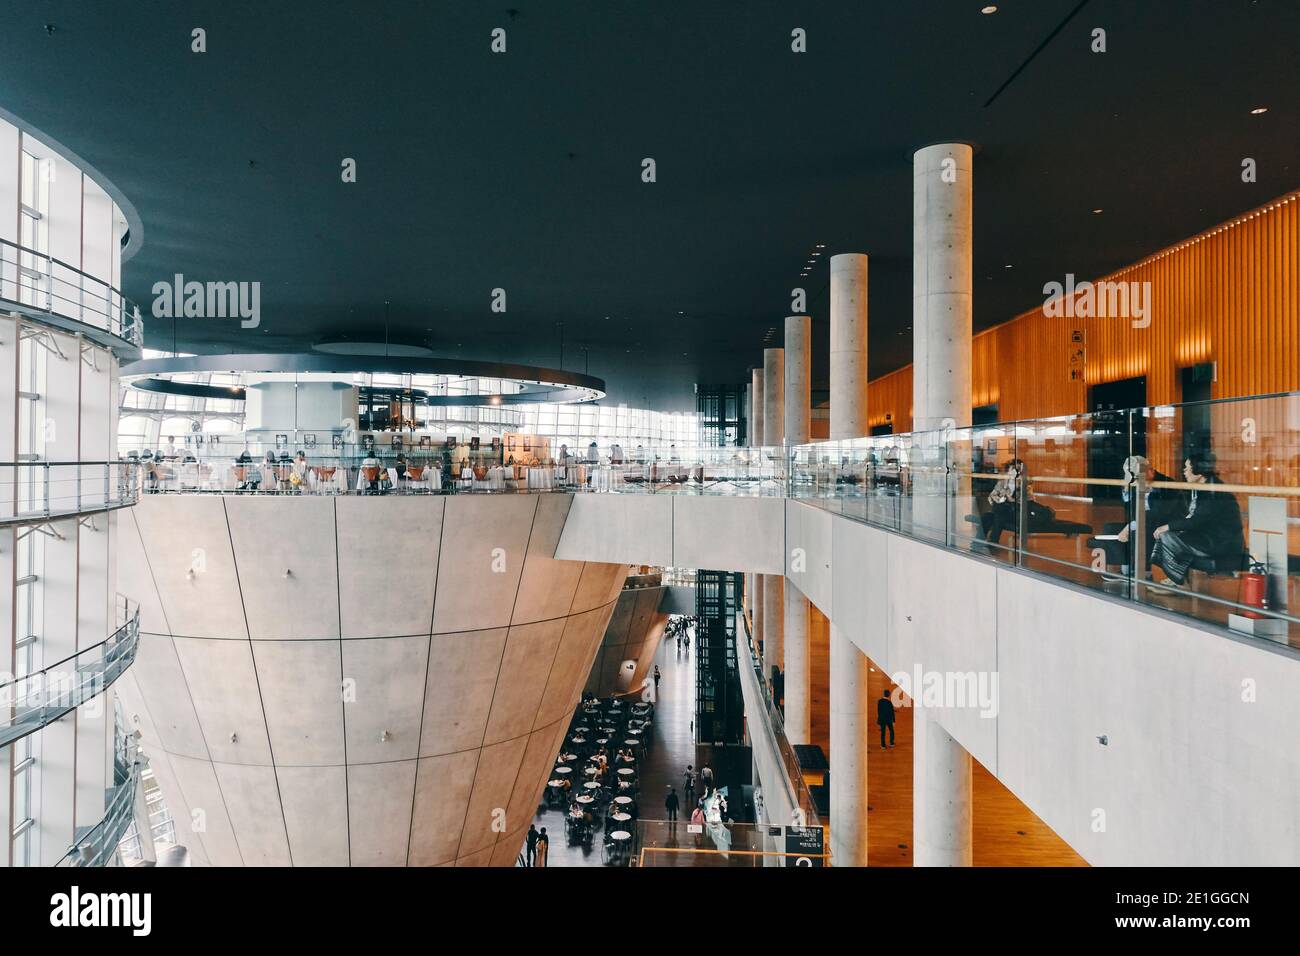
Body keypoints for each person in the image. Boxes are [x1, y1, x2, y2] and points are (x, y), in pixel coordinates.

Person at [1150, 454, 1245, 587]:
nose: (1184, 471)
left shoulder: (1212, 491)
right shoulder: (1205, 487)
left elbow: (1196, 521)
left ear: (1199, 471)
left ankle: (1178, 580)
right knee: (1171, 536)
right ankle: (1177, 577)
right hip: (1211, 537)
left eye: (1187, 468)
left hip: (1220, 543)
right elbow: (1197, 518)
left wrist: (1167, 526)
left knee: (1167, 536)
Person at [1092, 455, 1185, 574]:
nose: (1137, 482)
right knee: (1110, 528)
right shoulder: (1137, 483)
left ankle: (1143, 572)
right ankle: (1125, 567)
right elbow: (1130, 509)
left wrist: (1131, 526)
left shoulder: (1167, 485)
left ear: (1151, 471)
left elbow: (1158, 514)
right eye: (1135, 479)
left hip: (1163, 524)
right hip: (1142, 521)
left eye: (1139, 478)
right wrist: (1126, 490)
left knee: (1140, 530)